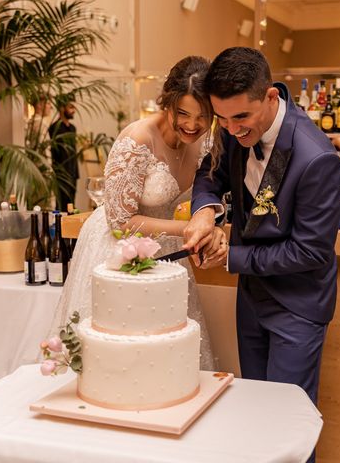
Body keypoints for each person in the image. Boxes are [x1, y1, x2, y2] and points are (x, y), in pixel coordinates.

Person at [184, 47, 340, 418]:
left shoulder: (317, 158)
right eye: (222, 120)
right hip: (252, 299)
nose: (232, 129)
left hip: (297, 307)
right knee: (257, 414)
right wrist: (205, 213)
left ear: (271, 96)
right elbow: (210, 173)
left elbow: (310, 252)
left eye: (241, 117)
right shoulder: (230, 126)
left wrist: (231, 256)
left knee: (286, 421)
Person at [50, 56, 222, 370]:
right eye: (183, 113)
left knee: (165, 349)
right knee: (118, 353)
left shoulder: (206, 141)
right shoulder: (137, 139)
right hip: (118, 249)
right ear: (167, 101)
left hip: (170, 254)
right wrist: (185, 229)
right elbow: (121, 221)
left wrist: (209, 219)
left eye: (203, 116)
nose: (192, 125)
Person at [49, 96, 79, 211]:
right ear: (62, 108)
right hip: (61, 172)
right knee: (61, 205)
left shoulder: (72, 128)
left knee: (72, 203)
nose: (73, 110)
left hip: (73, 171)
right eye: (71, 107)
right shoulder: (54, 128)